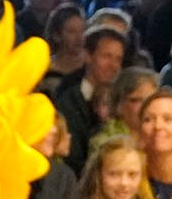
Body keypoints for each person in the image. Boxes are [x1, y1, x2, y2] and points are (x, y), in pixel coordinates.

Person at [54, 25, 126, 175]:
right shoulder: (67, 102)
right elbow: (71, 159)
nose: (113, 65)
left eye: (118, 59)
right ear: (87, 56)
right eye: (106, 56)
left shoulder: (124, 101)